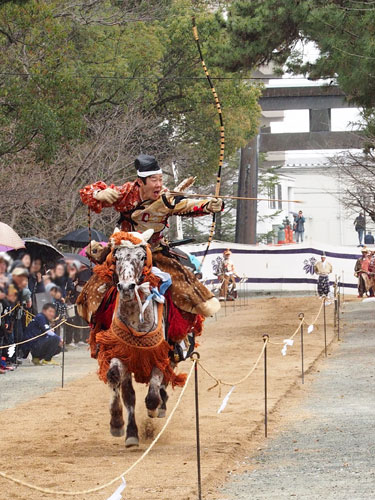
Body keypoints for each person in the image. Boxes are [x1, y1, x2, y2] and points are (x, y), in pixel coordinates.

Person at [79, 154, 222, 340]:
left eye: (160, 179)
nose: (158, 184)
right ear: (141, 182)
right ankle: (102, 336)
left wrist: (209, 205)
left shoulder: (165, 197)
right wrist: (99, 194)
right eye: (154, 180)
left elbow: (186, 206)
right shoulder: (126, 193)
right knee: (96, 288)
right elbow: (86, 193)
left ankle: (178, 339)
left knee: (184, 286)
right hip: (124, 253)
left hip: (154, 252)